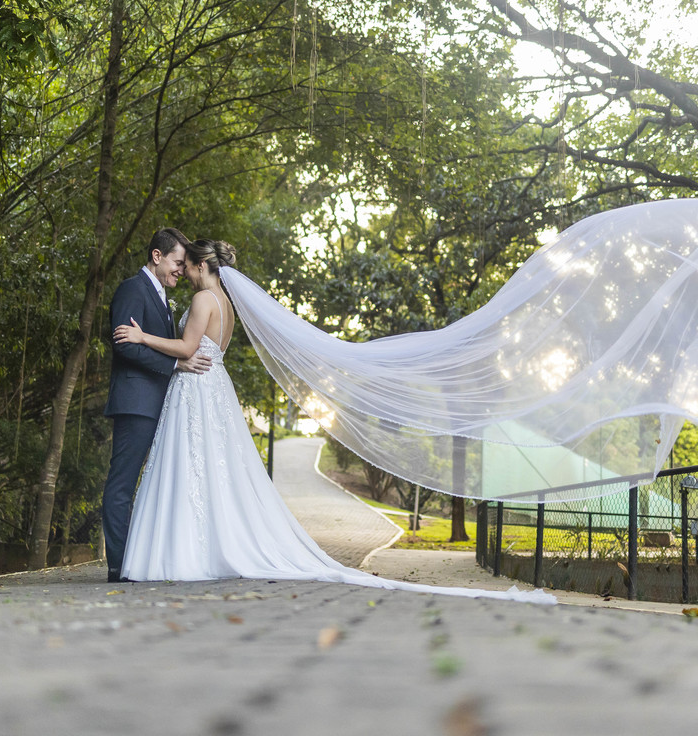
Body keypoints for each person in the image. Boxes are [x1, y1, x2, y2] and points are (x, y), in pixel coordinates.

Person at [114, 239, 552, 603]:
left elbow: (189, 348)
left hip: (196, 389)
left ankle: (186, 550)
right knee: (213, 472)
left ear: (200, 265)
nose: (184, 272)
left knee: (191, 470)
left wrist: (141, 336)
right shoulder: (226, 304)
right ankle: (203, 547)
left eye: (187, 265)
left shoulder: (202, 298)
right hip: (215, 390)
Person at [101, 228, 212, 583]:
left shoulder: (161, 295)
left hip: (157, 404)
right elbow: (125, 344)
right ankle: (118, 567)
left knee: (150, 486)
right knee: (122, 485)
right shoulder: (132, 289)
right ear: (157, 256)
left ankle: (142, 560)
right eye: (178, 262)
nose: (182, 270)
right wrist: (175, 364)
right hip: (136, 403)